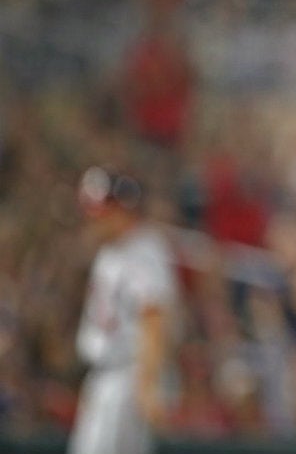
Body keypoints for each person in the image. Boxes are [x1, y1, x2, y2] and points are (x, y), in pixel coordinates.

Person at [68, 167, 179, 454]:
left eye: (102, 209)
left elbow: (153, 316)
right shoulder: (112, 250)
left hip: (126, 377)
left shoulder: (143, 251)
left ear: (122, 209)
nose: (93, 217)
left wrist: (147, 383)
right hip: (105, 376)